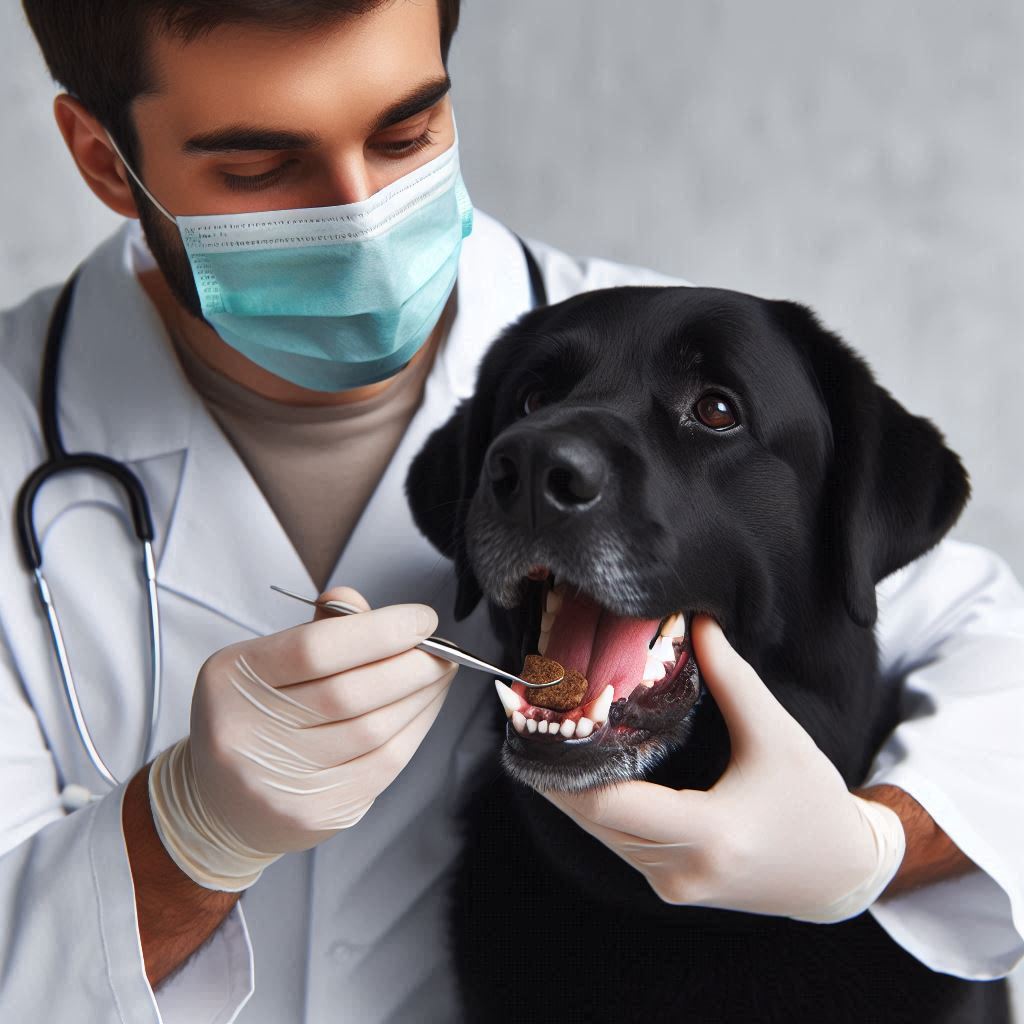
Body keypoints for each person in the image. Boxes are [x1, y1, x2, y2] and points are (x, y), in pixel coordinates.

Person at [1, 1, 1021, 1021]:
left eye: (407, 133)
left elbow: (987, 651)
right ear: (103, 159)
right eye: (261, 167)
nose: (361, 214)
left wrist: (867, 850)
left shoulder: (686, 352)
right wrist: (187, 835)